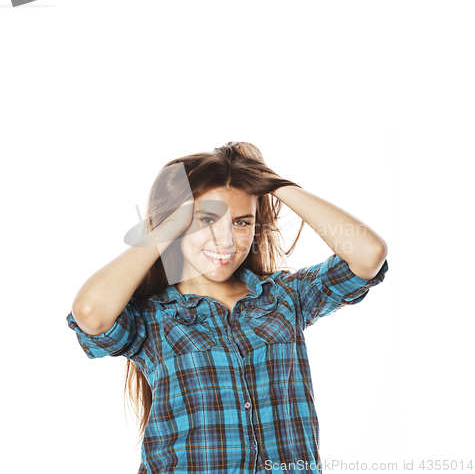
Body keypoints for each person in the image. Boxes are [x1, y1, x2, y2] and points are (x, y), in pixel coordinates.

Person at [66, 141, 389, 474]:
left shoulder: (285, 298)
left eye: (242, 222)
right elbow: (90, 313)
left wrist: (278, 186)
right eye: (206, 220)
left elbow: (368, 256)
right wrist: (167, 224)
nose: (225, 241)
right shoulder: (155, 318)